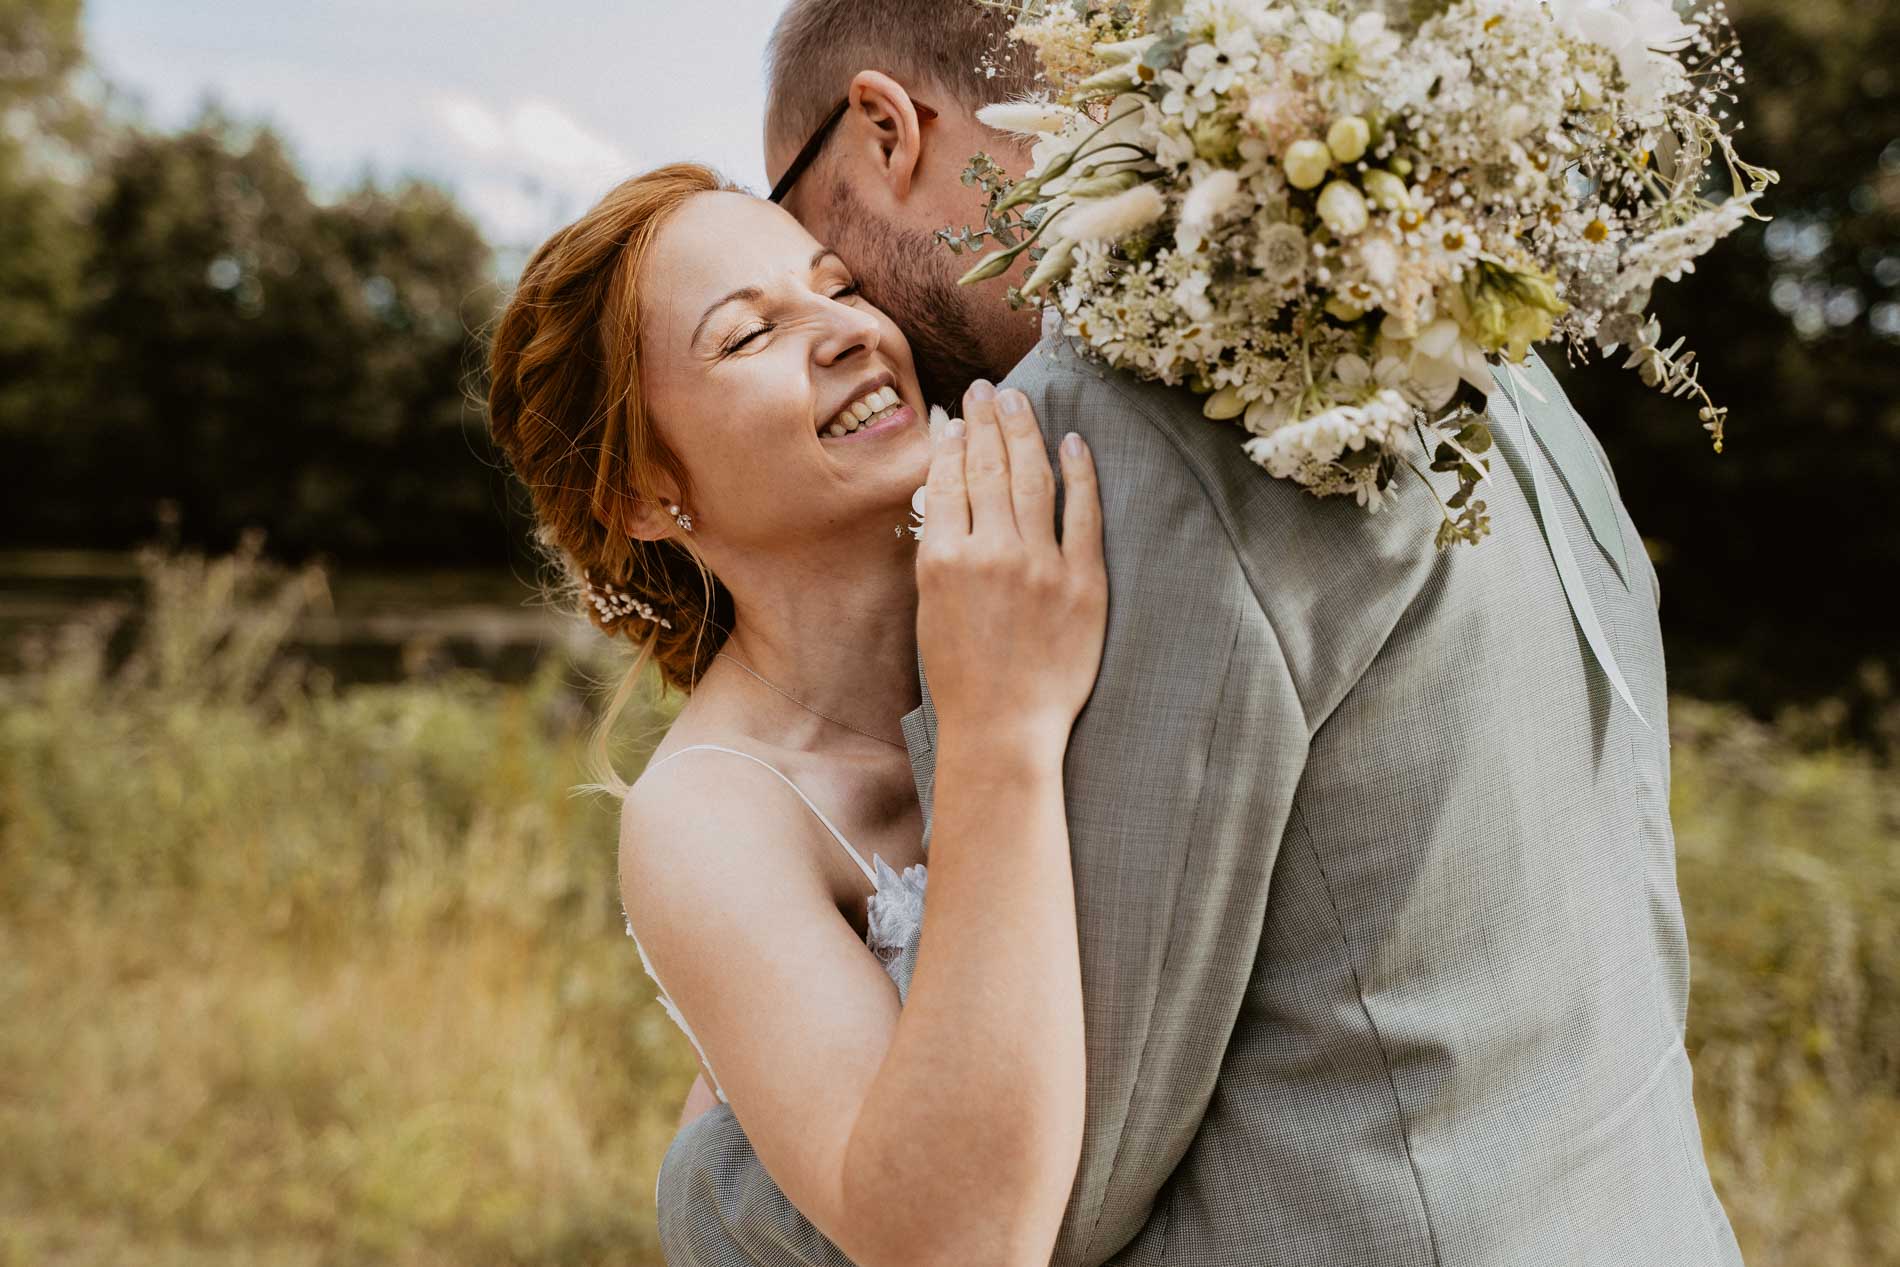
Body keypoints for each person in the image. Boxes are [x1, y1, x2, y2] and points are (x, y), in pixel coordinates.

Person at [654, 2, 1744, 1265]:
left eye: (814, 242)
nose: (849, 325)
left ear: (885, 129)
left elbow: (1047, 1182)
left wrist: (711, 1179)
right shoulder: (1468, 326)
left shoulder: (1115, 433)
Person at [485, 165, 1108, 1265]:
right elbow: (951, 1243)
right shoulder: (709, 818)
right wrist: (998, 734)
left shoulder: (1049, 570)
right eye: (746, 335)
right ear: (640, 492)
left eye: (836, 286)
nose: (843, 332)